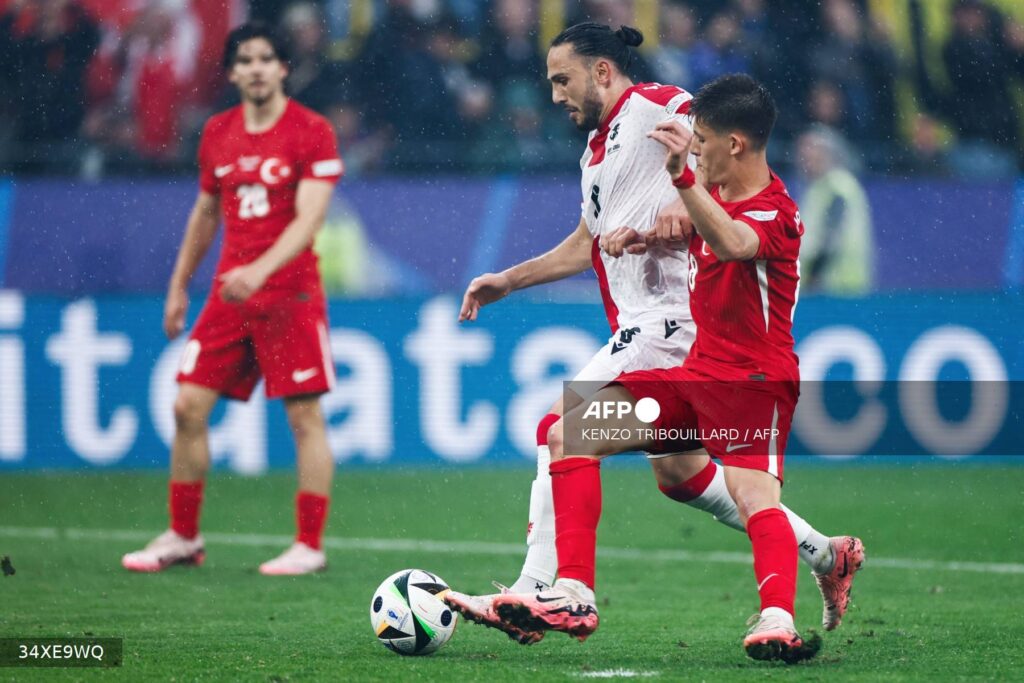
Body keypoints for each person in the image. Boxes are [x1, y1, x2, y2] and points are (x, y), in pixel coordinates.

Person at [446, 23, 861, 647]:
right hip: (666, 339)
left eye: (563, 79)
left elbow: (719, 129)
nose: (556, 93)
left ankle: (542, 587)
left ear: (604, 71)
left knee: (560, 428)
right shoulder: (595, 152)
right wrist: (510, 279)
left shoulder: (659, 105)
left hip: (669, 322)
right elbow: (587, 243)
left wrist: (685, 190)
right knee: (681, 475)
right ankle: (827, 553)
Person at [121, 22, 344, 576]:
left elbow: (310, 216)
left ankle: (308, 545)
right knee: (186, 407)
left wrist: (261, 269)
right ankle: (182, 537)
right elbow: (204, 215)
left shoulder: (311, 131)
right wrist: (177, 287)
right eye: (245, 60)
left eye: (267, 58)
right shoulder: (217, 132)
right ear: (232, 71)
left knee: (303, 418)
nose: (257, 68)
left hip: (289, 295)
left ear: (284, 68)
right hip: (230, 296)